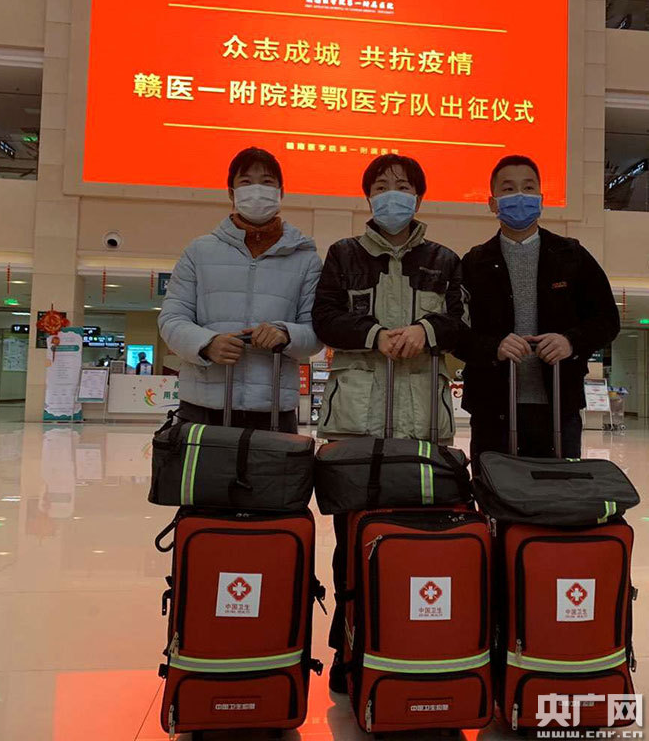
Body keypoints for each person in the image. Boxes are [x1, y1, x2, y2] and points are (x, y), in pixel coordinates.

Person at [312, 153, 469, 692]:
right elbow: (325, 318)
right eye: (381, 186)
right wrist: (375, 334)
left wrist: (426, 330)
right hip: (355, 421)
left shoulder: (444, 260)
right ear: (368, 197)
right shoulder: (343, 254)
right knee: (349, 541)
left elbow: (462, 323)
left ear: (418, 197)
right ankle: (348, 648)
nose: (392, 194)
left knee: (417, 540)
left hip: (423, 421)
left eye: (402, 186)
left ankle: (409, 643)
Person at [459, 154, 620, 473]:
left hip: (559, 406)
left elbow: (606, 319)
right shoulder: (474, 263)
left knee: (556, 493)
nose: (519, 196)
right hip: (493, 409)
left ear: (541, 200)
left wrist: (570, 342)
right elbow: (456, 333)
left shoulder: (571, 256)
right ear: (493, 203)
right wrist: (494, 347)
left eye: (528, 187)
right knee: (495, 492)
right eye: (508, 189)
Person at [159, 147, 323, 432]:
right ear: (231, 193)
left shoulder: (305, 259)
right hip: (202, 407)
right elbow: (171, 318)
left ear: (281, 193)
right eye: (246, 182)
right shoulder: (199, 251)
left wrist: (286, 334)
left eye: (267, 182)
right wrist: (207, 344)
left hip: (274, 410)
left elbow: (316, 331)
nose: (257, 190)